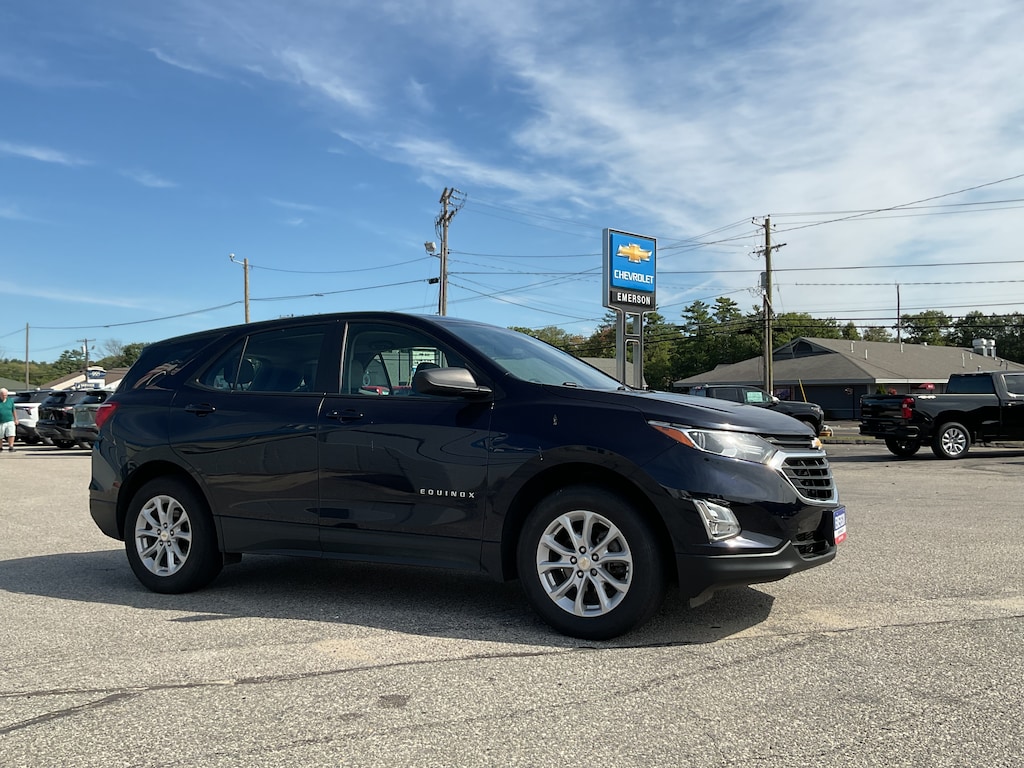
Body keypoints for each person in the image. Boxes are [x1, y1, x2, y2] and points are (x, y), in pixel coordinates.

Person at [0, 388, 18, 452]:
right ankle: (0, 447)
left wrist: (16, 419)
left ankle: (11, 446)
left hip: (10, 420)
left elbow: (13, 410)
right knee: (0, 435)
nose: (5, 396)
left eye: (6, 395)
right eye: (3, 395)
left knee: (11, 434)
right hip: (1, 421)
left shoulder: (10, 401)